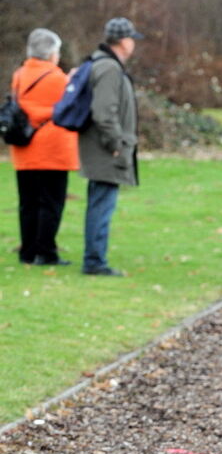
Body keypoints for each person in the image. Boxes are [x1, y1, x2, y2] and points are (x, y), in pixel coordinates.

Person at [78, 17, 142, 276]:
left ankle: (94, 258)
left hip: (102, 148)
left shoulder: (102, 64)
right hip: (106, 149)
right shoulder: (109, 69)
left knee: (100, 202)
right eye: (132, 39)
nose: (133, 44)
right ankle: (94, 261)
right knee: (101, 205)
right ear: (123, 41)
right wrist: (116, 143)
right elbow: (104, 111)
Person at [10, 29, 79, 265]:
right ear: (51, 53)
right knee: (51, 203)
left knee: (28, 203)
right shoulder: (58, 78)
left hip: (24, 149)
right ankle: (46, 251)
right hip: (52, 149)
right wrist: (72, 82)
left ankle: (27, 251)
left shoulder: (19, 75)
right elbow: (68, 106)